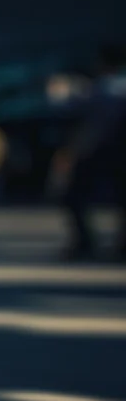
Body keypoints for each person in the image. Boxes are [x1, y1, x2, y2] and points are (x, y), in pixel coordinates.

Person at [52, 45, 126, 260]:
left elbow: (69, 108)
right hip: (116, 154)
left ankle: (84, 241)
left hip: (98, 152)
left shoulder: (102, 89)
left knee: (73, 197)